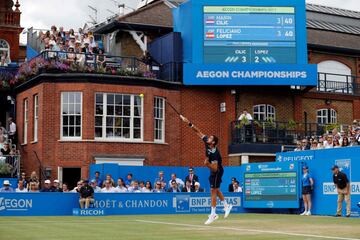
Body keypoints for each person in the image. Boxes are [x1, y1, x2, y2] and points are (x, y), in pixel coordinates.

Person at [180, 116, 232, 224]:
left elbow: (215, 168)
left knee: (213, 191)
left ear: (213, 143)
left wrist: (207, 163)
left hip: (217, 171)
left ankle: (213, 214)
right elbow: (198, 131)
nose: (207, 138)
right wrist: (188, 122)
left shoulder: (215, 154)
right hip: (213, 170)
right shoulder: (207, 143)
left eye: (210, 138)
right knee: (216, 190)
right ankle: (226, 206)